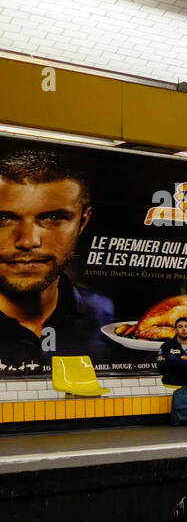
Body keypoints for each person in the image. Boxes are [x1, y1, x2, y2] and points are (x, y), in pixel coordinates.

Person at [0, 147, 113, 370]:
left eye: (53, 217)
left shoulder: (107, 315)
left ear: (82, 222)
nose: (28, 241)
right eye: (4, 219)